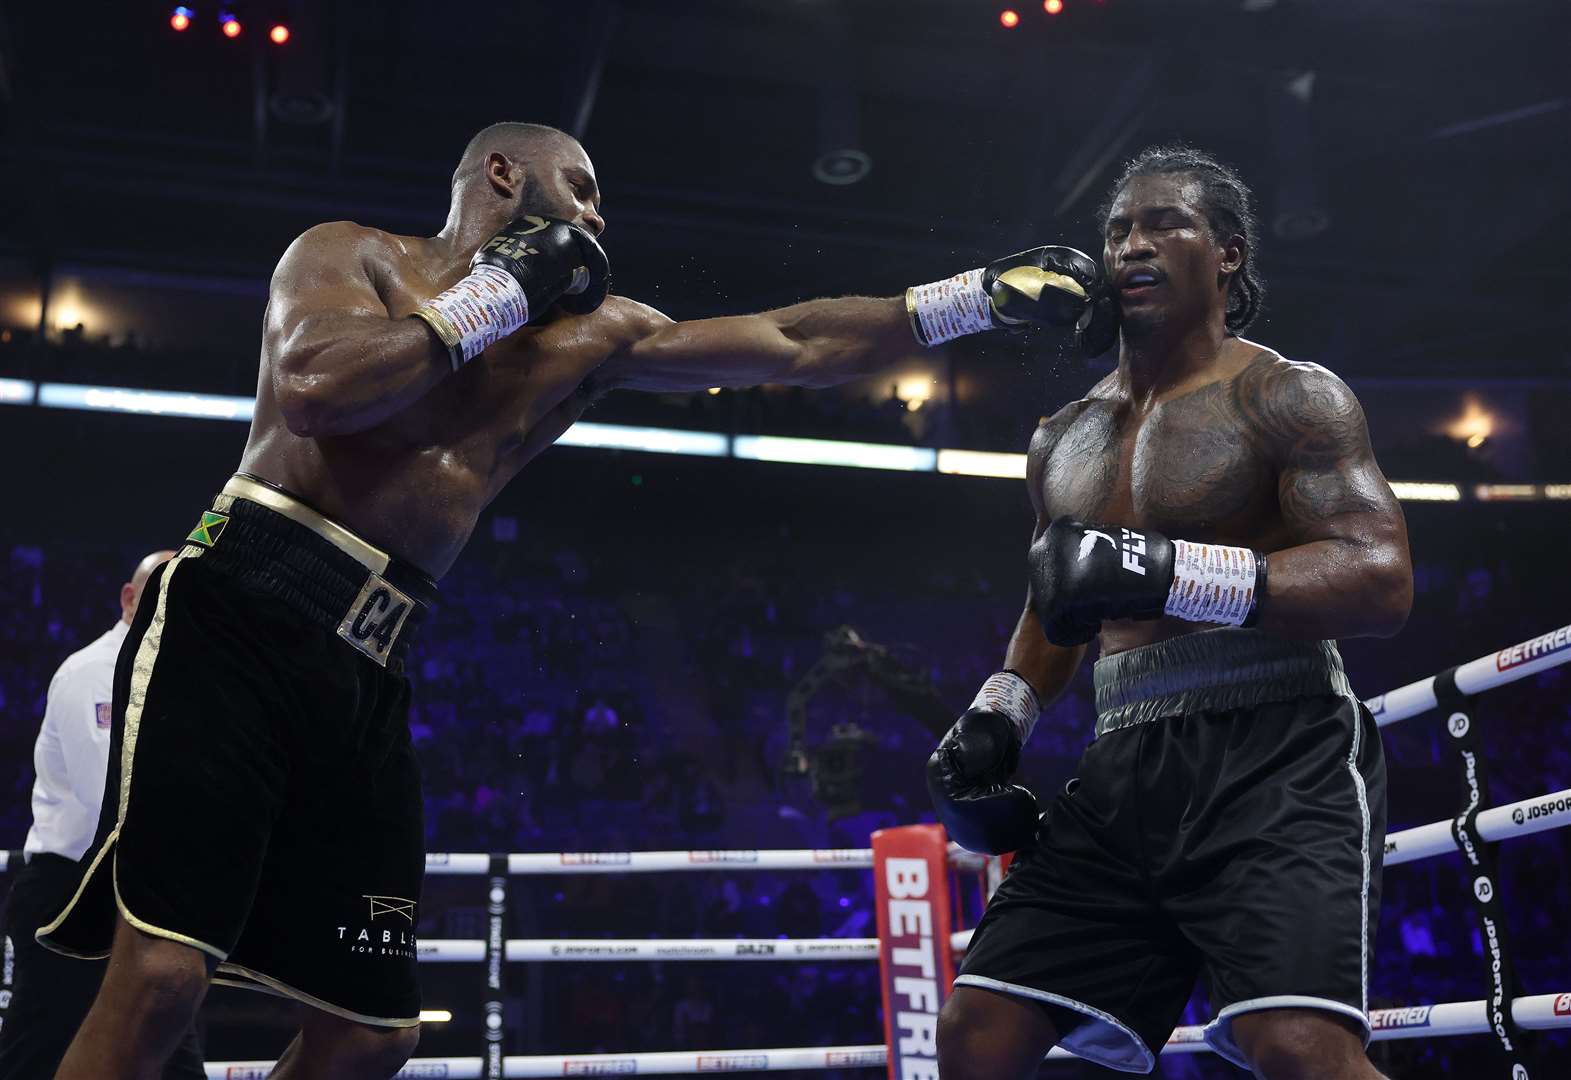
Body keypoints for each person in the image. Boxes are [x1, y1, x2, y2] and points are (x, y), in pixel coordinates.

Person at [37, 120, 1101, 1080]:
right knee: (166, 980)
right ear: (502, 174)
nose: (596, 218)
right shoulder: (351, 255)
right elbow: (319, 390)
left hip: (369, 661)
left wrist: (975, 296)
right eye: (580, 189)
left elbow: (794, 339)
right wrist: (496, 293)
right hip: (245, 603)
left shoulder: (593, 342)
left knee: (372, 1032)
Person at [927, 146, 1412, 1078]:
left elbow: (1379, 577)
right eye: (1116, 231)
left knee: (1300, 1048)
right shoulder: (1060, 435)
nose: (1131, 245)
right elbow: (1059, 596)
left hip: (1278, 749)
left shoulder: (1284, 395)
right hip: (1124, 762)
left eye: (1163, 224)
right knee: (976, 1032)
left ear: (1226, 254)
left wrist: (1171, 571)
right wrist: (1000, 716)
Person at [0, 551, 203, 1079]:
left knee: (168, 1048)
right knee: (42, 1046)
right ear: (129, 599)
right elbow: (107, 800)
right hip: (72, 886)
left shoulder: (180, 680)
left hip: (136, 888)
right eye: (157, 596)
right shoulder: (95, 671)